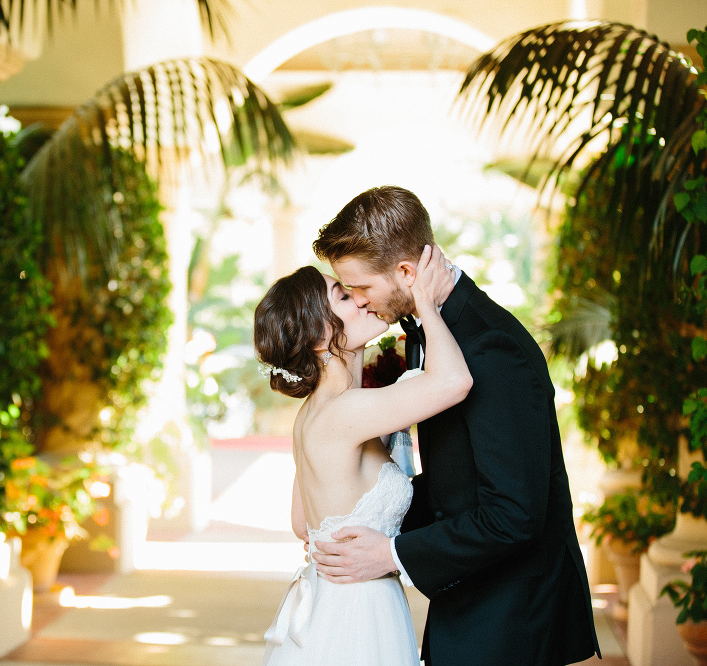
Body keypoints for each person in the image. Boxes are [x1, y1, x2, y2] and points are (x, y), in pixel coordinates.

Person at [310, 185, 600, 665]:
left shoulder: (493, 351)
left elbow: (514, 513)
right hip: (470, 593)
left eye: (361, 288)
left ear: (406, 273)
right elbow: (459, 483)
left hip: (510, 614)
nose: (358, 303)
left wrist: (393, 554)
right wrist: (367, 514)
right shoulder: (435, 329)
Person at [254, 244, 472, 665]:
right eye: (343, 295)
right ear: (320, 336)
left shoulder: (313, 414)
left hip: (330, 602)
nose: (359, 297)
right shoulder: (347, 412)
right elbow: (454, 382)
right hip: (359, 612)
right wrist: (425, 300)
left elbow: (304, 523)